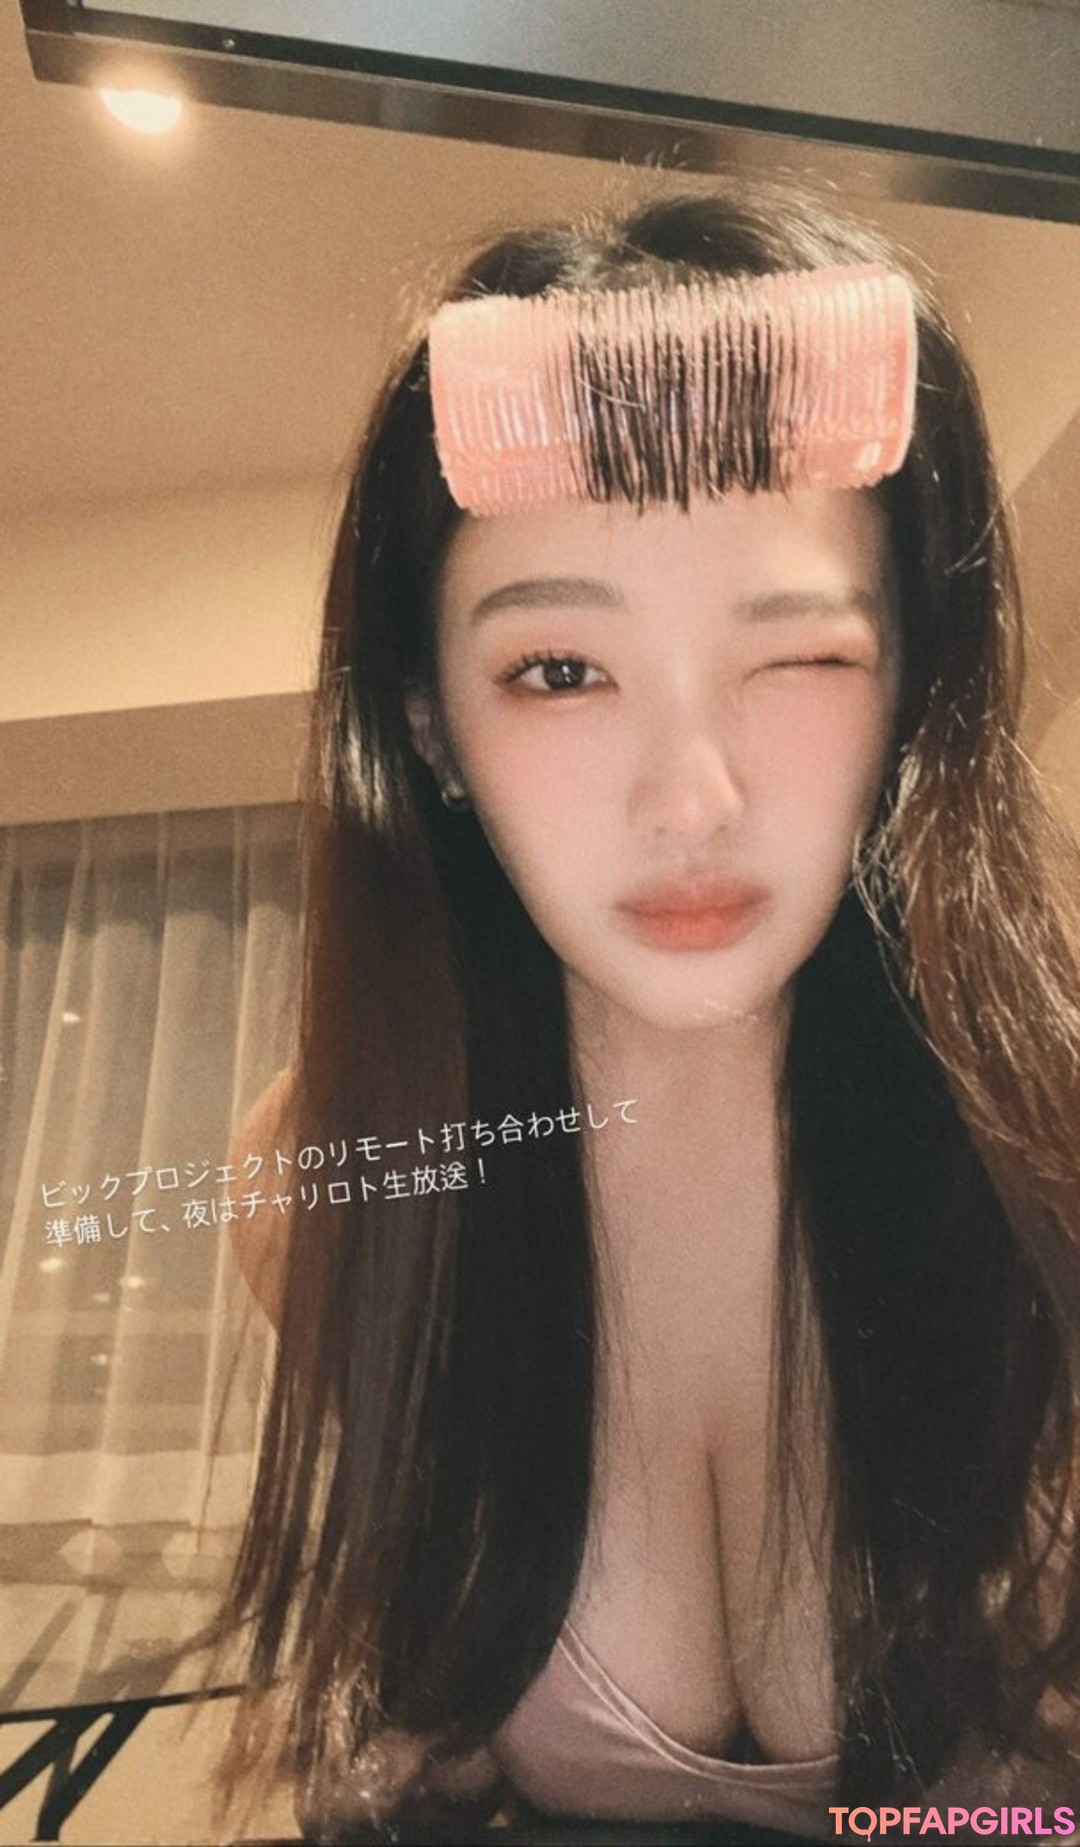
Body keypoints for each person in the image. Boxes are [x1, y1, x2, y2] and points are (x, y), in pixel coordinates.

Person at [216, 183, 1080, 1841]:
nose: (692, 798)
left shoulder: (1047, 1145)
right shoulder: (327, 1180)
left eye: (799, 657)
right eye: (561, 670)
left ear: (911, 681)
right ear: (431, 723)